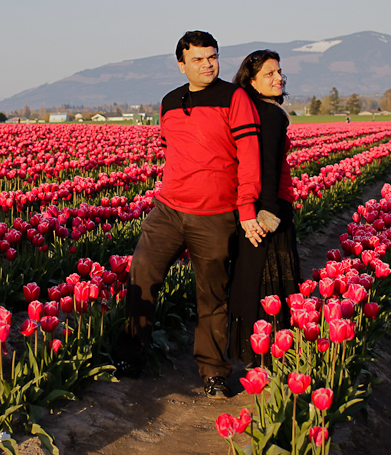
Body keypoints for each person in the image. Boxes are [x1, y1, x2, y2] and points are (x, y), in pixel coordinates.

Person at [116, 31, 265, 399]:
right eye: (197, 59)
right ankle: (132, 355)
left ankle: (213, 371)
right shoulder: (169, 101)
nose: (207, 64)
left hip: (215, 215)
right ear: (181, 64)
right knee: (142, 274)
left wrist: (246, 209)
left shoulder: (236, 98)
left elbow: (249, 157)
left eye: (212, 57)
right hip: (168, 210)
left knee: (211, 294)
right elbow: (172, 151)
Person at [227, 50, 303, 366]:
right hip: (268, 208)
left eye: (279, 72)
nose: (279, 78)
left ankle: (249, 348)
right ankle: (276, 350)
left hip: (247, 206)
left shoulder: (251, 112)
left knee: (249, 276)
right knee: (273, 277)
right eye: (269, 74)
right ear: (252, 81)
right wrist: (269, 211)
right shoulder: (270, 116)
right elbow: (267, 165)